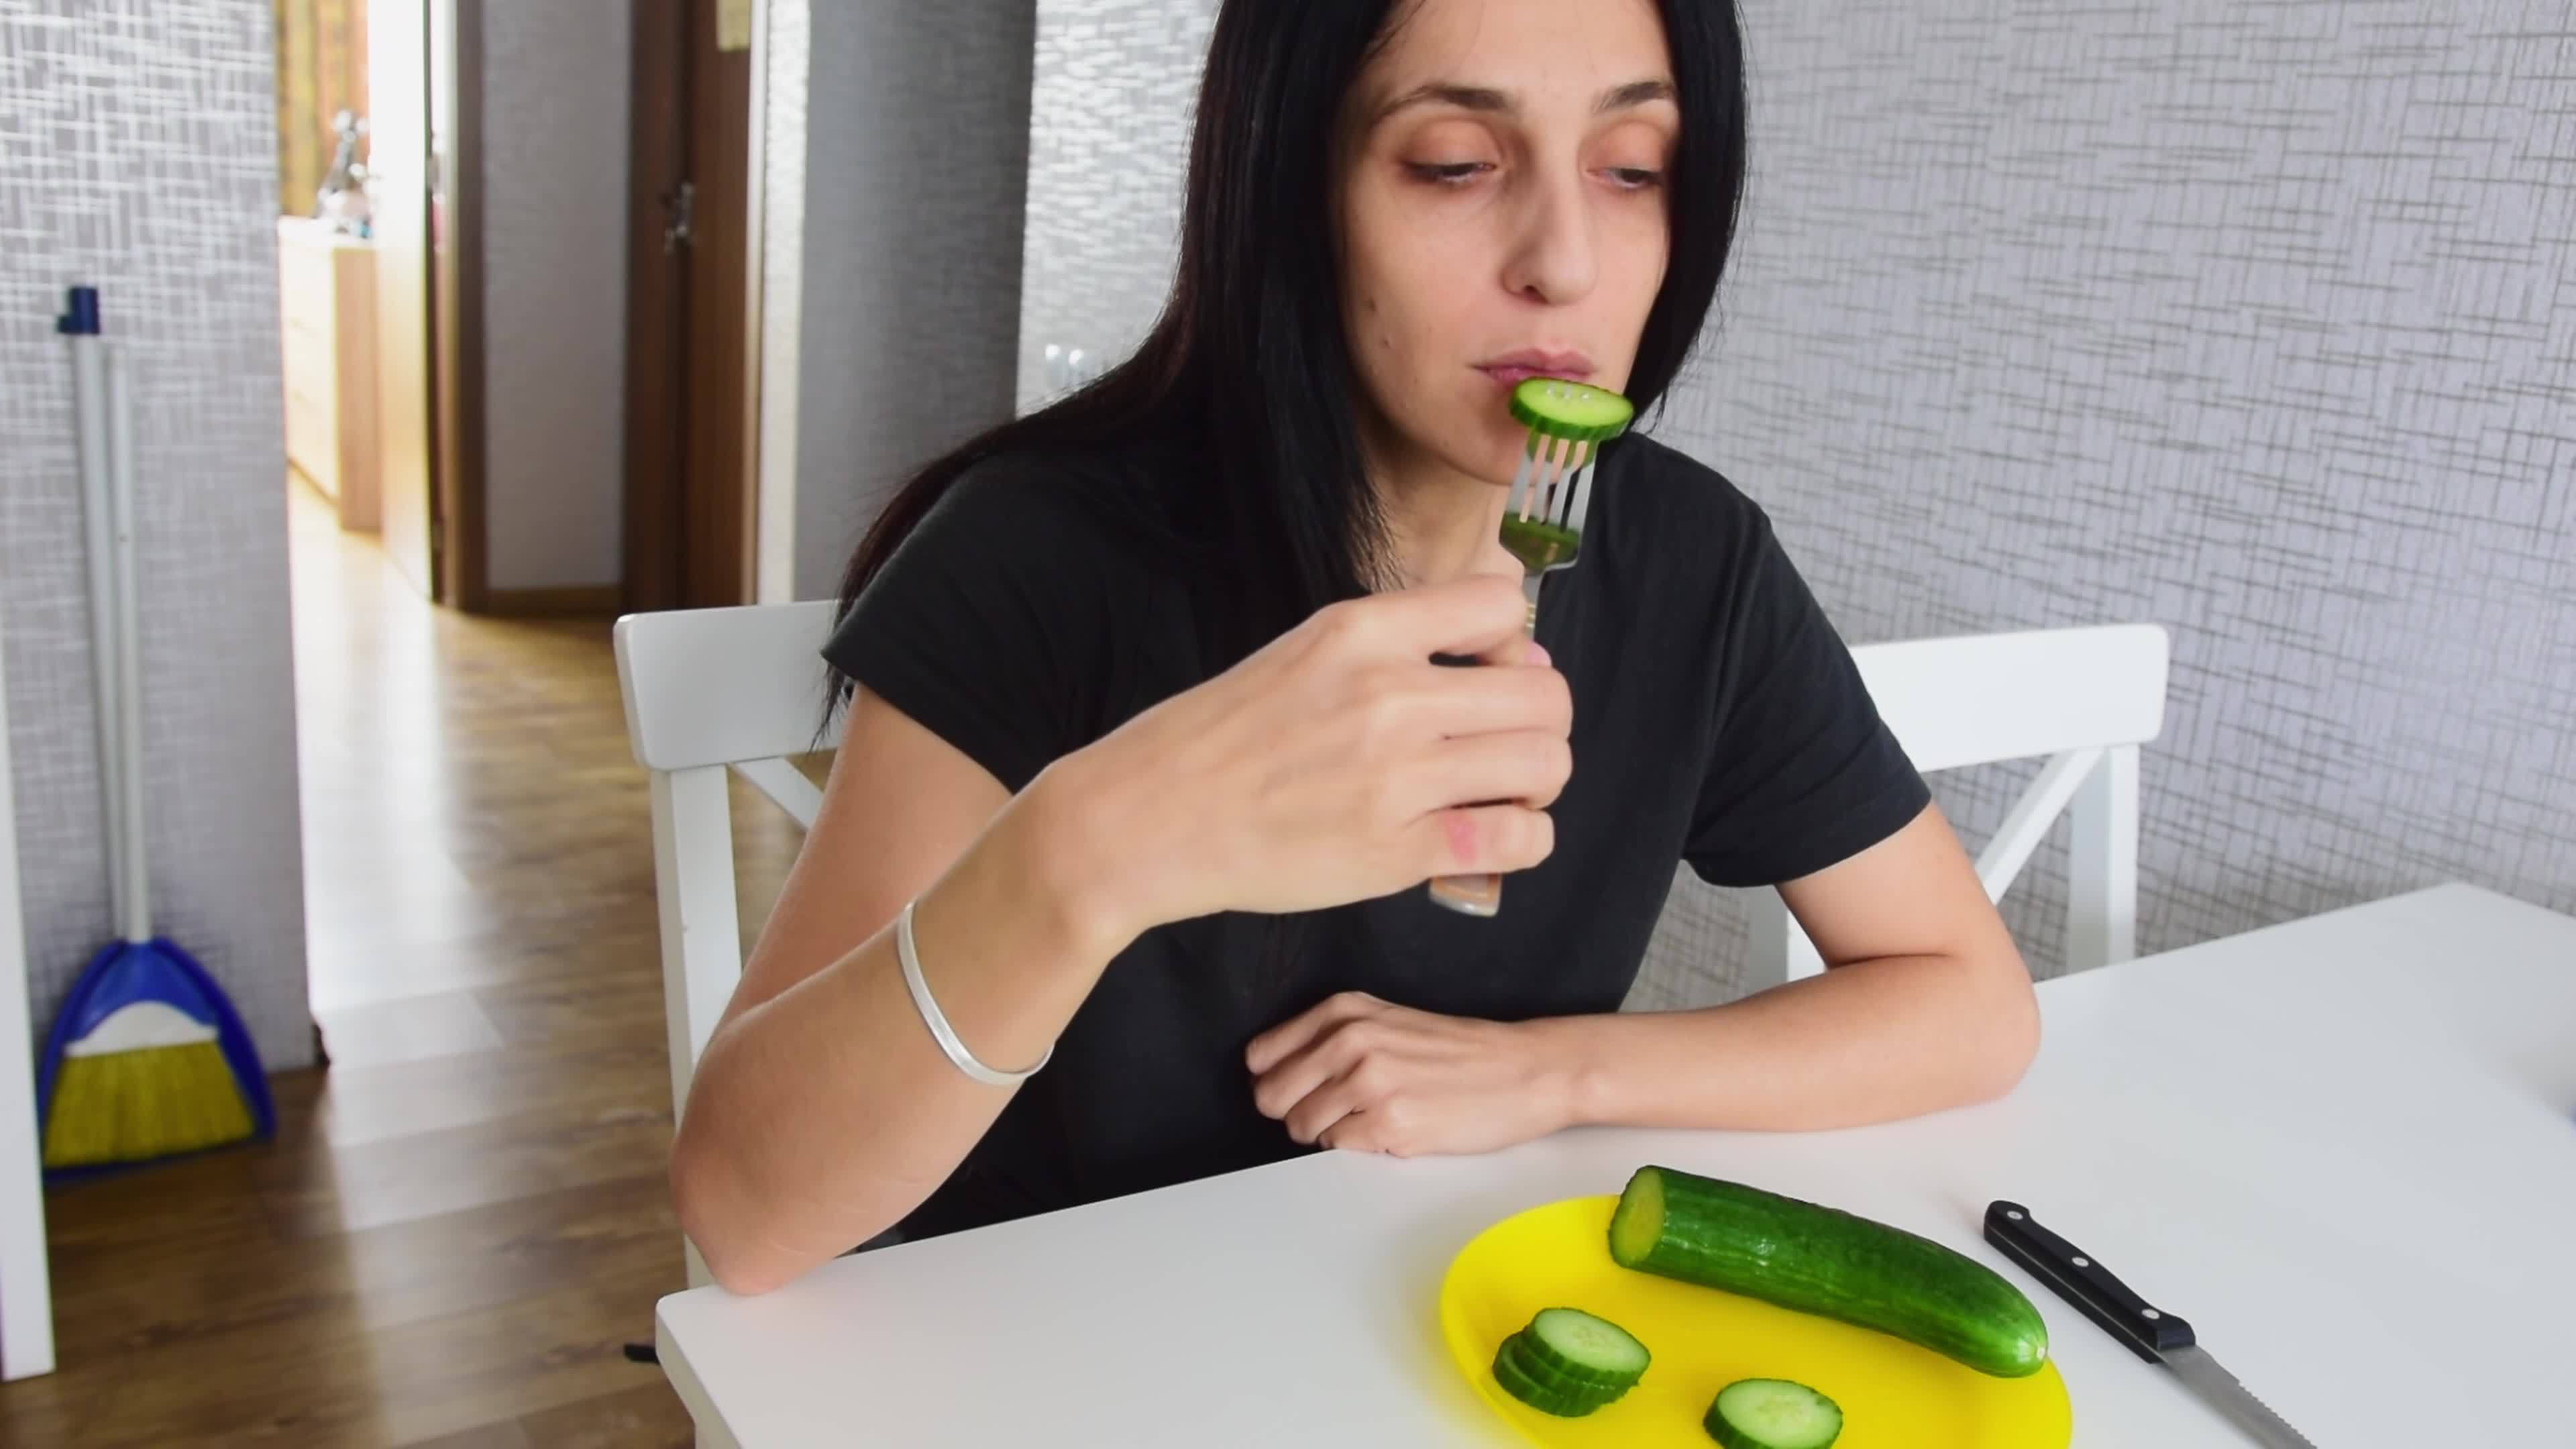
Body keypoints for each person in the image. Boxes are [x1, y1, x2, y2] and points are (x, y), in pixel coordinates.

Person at [669, 0, 2039, 1297]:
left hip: (1434, 1320)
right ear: (1295, 191)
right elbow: (742, 1211)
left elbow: (1971, 1006)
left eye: (1632, 169)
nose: (1563, 260)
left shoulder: (1695, 565)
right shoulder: (1041, 554)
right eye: (1453, 163)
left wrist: (1554, 1073)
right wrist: (1098, 847)